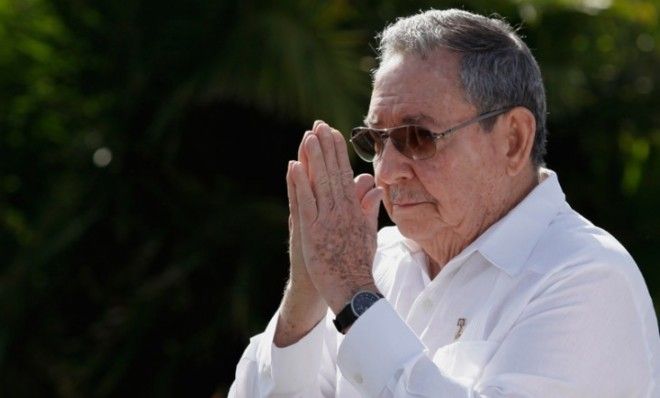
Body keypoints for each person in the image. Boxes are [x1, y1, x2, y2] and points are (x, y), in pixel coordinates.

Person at [229, 8, 660, 397]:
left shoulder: (588, 277)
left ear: (513, 140)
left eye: (418, 137)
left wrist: (354, 296)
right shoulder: (381, 261)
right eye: (376, 141)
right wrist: (306, 292)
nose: (388, 170)